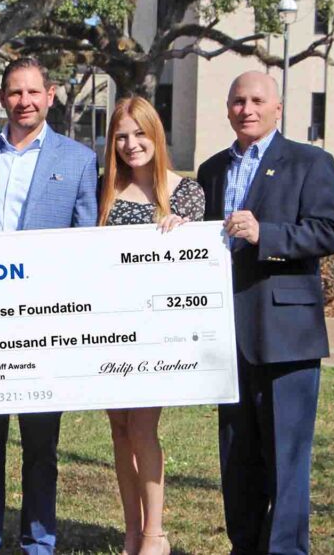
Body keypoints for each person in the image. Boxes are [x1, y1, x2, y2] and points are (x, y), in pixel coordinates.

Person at [0, 57, 98, 554]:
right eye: (14, 93)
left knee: (40, 446)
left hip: (44, 324)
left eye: (33, 92)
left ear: (50, 95)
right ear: (3, 97)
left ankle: (38, 542)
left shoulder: (78, 159)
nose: (23, 102)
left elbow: (87, 237)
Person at [196, 71, 334, 555]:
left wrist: (269, 235)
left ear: (278, 108)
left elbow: (329, 231)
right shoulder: (211, 169)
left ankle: (284, 550)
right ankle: (244, 545)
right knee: (237, 456)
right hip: (228, 335)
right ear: (227, 108)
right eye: (238, 100)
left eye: (258, 100)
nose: (247, 109)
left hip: (288, 334)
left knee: (286, 458)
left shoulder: (311, 162)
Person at [98, 96, 204, 555]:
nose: (130, 144)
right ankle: (131, 529)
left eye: (139, 133)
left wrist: (187, 233)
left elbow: (199, 264)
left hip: (158, 331)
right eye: (121, 136)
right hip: (108, 325)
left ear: (155, 135)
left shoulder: (185, 193)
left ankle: (155, 533)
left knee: (143, 428)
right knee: (119, 429)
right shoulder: (103, 189)